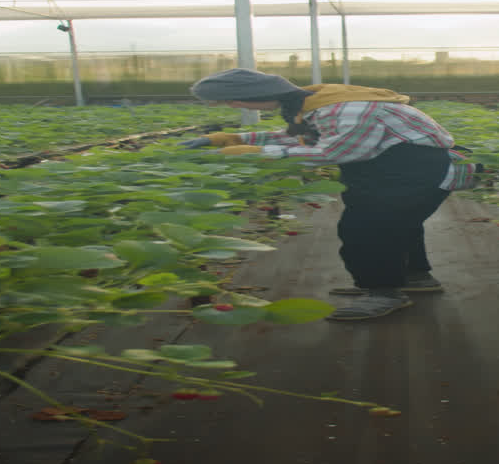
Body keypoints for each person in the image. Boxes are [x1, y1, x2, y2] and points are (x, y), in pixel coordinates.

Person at [182, 68, 479, 322]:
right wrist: (229, 139)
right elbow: (301, 136)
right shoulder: (313, 103)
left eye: (228, 102)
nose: (232, 107)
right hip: (388, 168)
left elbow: (338, 151)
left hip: (412, 171)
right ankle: (414, 278)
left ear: (244, 98)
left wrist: (259, 153)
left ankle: (382, 292)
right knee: (398, 224)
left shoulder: (347, 108)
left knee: (365, 228)